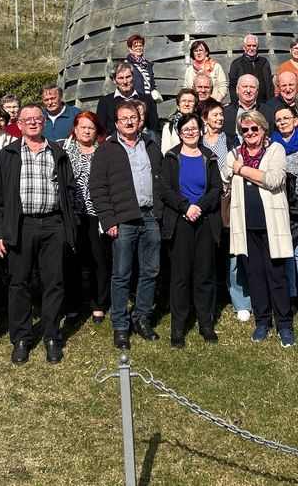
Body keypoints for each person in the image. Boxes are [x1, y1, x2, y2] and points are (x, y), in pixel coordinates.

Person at [0, 105, 78, 365]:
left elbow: (70, 190)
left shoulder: (58, 152)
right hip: (21, 225)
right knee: (19, 282)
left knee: (54, 282)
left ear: (43, 123)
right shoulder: (8, 154)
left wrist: (66, 225)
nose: (32, 123)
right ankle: (21, 338)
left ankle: (52, 336)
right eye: (27, 120)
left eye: (37, 119)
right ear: (18, 125)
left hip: (53, 225)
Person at [91, 100, 164, 349]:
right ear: (116, 123)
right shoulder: (106, 149)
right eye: (124, 119)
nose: (130, 122)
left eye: (133, 117)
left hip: (151, 216)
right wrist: (108, 219)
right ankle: (120, 325)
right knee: (121, 274)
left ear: (139, 119)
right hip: (123, 219)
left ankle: (141, 317)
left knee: (150, 270)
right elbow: (97, 189)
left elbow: (161, 179)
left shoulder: (151, 145)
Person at [221, 111, 295, 347]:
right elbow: (223, 176)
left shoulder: (275, 150)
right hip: (246, 223)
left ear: (264, 130)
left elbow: (273, 180)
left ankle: (284, 324)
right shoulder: (234, 154)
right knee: (255, 275)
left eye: (255, 129)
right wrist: (237, 169)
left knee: (276, 275)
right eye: (245, 130)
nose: (250, 133)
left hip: (271, 223)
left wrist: (240, 170)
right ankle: (262, 321)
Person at [158, 112, 222, 346]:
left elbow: (216, 189)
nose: (191, 132)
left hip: (204, 221)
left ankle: (206, 323)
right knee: (180, 277)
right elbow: (165, 189)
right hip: (180, 222)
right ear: (180, 133)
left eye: (194, 128)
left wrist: (200, 206)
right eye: (186, 129)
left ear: (201, 130)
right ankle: (178, 327)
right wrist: (186, 207)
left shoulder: (210, 157)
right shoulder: (171, 157)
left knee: (204, 275)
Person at [200, 99, 249, 322]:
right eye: (215, 115)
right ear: (204, 118)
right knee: (208, 253)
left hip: (229, 201)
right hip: (206, 203)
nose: (220, 118)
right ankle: (210, 301)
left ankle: (240, 301)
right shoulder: (197, 143)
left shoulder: (231, 140)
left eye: (221, 114)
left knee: (233, 252)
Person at [64, 111, 110, 324]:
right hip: (72, 214)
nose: (86, 131)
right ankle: (72, 305)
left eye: (90, 127)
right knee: (71, 260)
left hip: (96, 213)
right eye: (82, 127)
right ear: (75, 128)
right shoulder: (64, 151)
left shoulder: (103, 151)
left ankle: (98, 304)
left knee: (98, 260)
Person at [271, 105, 298, 317]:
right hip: (279, 201)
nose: (282, 122)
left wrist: (292, 187)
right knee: (286, 252)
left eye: (286, 118)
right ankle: (291, 294)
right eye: (278, 120)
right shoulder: (271, 144)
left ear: (296, 120)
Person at [96, 62, 160, 135]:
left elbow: (155, 130)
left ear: (133, 77)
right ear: (114, 80)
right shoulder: (105, 103)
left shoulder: (146, 100)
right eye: (120, 78)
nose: (125, 81)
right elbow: (100, 132)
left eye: (128, 77)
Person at [228, 33, 273, 104]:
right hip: (244, 104)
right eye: (249, 46)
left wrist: (270, 102)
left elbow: (270, 84)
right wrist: (236, 103)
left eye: (254, 46)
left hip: (263, 103)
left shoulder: (264, 62)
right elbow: (232, 86)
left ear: (257, 47)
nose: (251, 48)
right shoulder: (236, 64)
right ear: (244, 47)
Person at [222, 74, 261, 144]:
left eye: (252, 87)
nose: (248, 90)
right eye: (245, 86)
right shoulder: (225, 112)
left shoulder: (268, 111)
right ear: (237, 90)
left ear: (257, 91)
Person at [161, 89, 197, 153]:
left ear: (195, 106)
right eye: (183, 101)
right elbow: (165, 151)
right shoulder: (169, 127)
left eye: (190, 101)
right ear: (178, 105)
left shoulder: (201, 126)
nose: (186, 104)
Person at [125, 34, 159, 101]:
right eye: (135, 46)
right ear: (130, 49)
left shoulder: (147, 64)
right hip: (135, 99)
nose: (139, 48)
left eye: (140, 45)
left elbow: (152, 83)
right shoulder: (127, 64)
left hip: (149, 99)